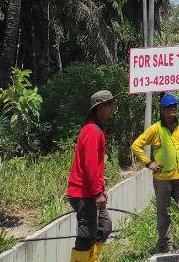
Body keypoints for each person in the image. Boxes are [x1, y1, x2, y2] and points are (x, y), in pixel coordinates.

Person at [131, 93, 179, 254]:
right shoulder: (155, 128)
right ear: (162, 109)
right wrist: (148, 163)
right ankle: (165, 246)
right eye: (168, 107)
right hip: (162, 179)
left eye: (174, 106)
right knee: (163, 213)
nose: (172, 109)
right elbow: (136, 146)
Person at [66, 90, 114, 262]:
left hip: (90, 191)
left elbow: (95, 167)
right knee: (86, 235)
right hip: (83, 192)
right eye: (110, 105)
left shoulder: (95, 129)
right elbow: (90, 165)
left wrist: (101, 189)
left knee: (104, 227)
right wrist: (97, 193)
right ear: (100, 107)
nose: (112, 108)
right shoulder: (93, 131)